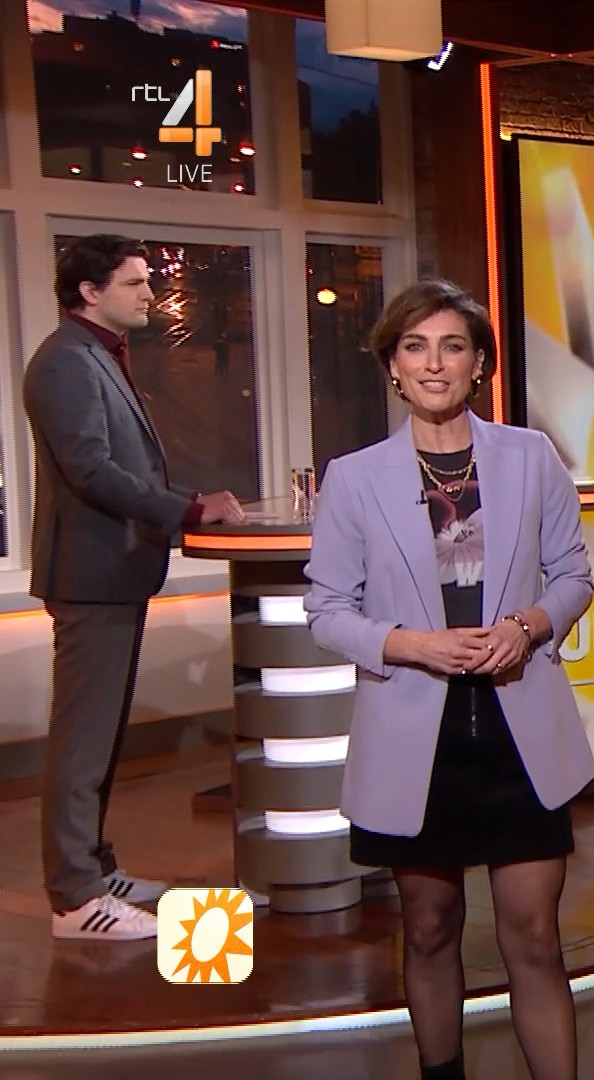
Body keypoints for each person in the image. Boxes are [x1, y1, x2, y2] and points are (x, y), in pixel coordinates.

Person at [305, 280, 594, 1080]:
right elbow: (327, 610)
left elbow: (574, 576)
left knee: (535, 937)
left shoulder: (531, 459)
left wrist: (526, 627)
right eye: (415, 347)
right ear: (393, 368)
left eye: (453, 346)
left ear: (479, 366)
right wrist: (412, 645)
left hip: (519, 733)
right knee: (429, 930)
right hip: (414, 741)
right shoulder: (354, 478)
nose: (434, 363)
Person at [24, 234, 245, 942]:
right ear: (90, 292)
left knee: (99, 736)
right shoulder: (65, 361)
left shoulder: (98, 355)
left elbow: (123, 467)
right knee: (83, 739)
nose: (151, 293)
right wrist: (187, 509)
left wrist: (184, 503)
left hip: (114, 575)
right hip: (90, 575)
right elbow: (91, 471)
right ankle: (75, 898)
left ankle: (95, 869)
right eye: (135, 282)